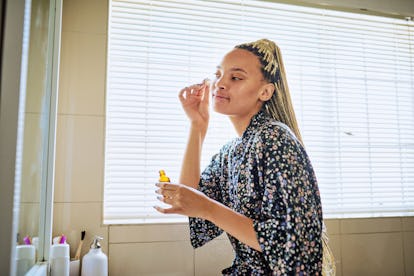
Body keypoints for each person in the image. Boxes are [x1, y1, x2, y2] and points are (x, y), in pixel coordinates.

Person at [154, 39, 334, 275]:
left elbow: (289, 244)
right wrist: (197, 126)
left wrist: (208, 208)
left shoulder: (275, 139)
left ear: (265, 91)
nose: (220, 83)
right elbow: (192, 204)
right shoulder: (230, 153)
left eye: (235, 77)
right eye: (218, 74)